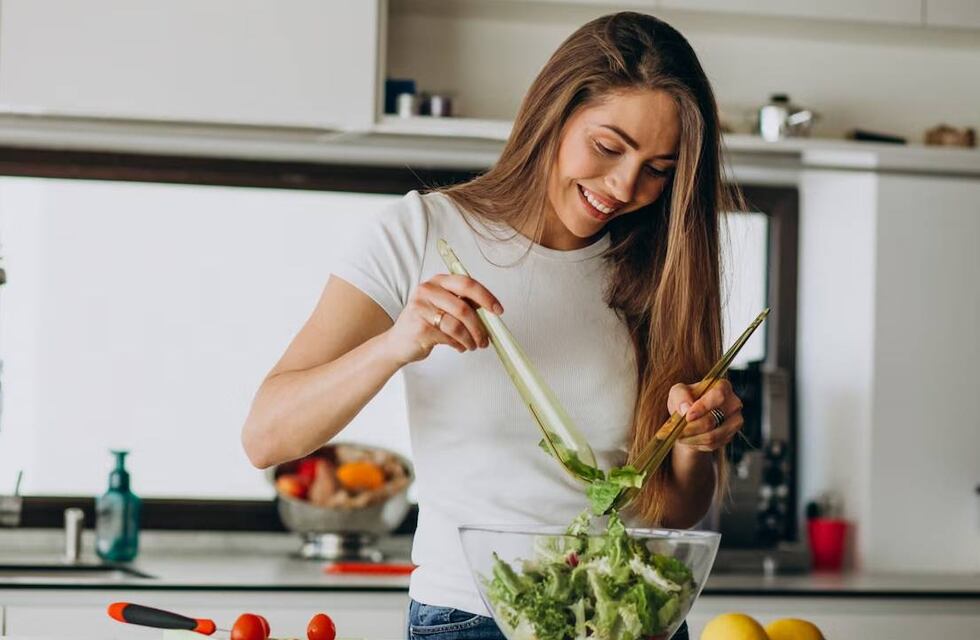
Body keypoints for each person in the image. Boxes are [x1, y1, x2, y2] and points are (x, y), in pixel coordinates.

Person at [242, 11, 744, 640]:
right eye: (608, 147)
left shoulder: (662, 270)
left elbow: (672, 512)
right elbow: (267, 436)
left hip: (633, 616)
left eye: (658, 169)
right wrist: (396, 344)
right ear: (553, 115)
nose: (623, 186)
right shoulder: (420, 234)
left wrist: (696, 444)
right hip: (472, 617)